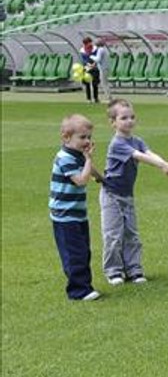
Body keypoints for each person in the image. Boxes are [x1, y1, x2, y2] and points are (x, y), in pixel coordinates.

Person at [99, 99, 168, 285]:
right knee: (113, 234)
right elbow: (139, 157)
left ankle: (134, 269)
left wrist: (164, 162)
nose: (129, 121)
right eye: (123, 118)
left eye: (132, 117)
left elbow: (149, 152)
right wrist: (162, 166)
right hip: (112, 195)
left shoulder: (137, 140)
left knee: (131, 234)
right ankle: (114, 271)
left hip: (127, 195)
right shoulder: (117, 143)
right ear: (113, 122)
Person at [49, 114, 103, 301]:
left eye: (89, 137)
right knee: (75, 253)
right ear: (66, 137)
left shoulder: (77, 155)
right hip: (65, 215)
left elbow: (90, 169)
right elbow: (80, 180)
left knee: (83, 251)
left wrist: (102, 178)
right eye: (82, 137)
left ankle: (84, 286)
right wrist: (88, 160)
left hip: (78, 213)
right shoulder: (65, 158)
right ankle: (79, 291)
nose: (87, 141)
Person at [79, 37, 100, 103]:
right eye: (86, 43)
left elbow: (97, 57)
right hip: (86, 67)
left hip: (95, 67)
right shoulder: (82, 50)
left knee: (95, 84)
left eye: (89, 42)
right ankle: (88, 99)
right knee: (87, 84)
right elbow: (83, 60)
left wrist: (94, 64)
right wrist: (88, 64)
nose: (88, 44)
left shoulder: (95, 49)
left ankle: (96, 98)